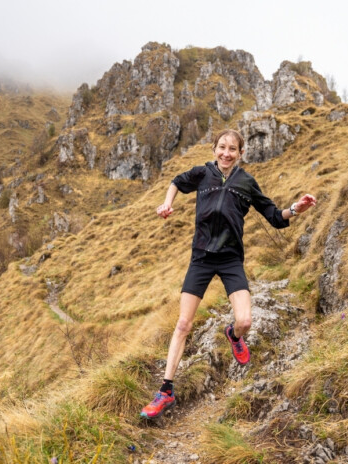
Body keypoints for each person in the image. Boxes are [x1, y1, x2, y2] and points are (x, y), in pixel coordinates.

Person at [140, 129, 316, 419]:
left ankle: (233, 335)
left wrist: (296, 209)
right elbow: (177, 182)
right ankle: (165, 390)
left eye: (232, 149)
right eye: (221, 147)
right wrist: (168, 202)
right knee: (183, 324)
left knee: (244, 320)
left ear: (240, 153)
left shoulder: (246, 182)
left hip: (231, 259)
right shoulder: (202, 173)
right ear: (214, 149)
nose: (226, 153)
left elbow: (274, 216)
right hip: (201, 257)